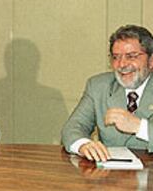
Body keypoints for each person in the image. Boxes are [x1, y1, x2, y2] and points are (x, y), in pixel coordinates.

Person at [62, 24, 153, 162]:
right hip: (110, 176)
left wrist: (140, 127)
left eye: (131, 56)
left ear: (151, 61)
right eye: (116, 57)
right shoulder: (98, 86)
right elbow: (73, 127)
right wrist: (83, 145)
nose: (122, 64)